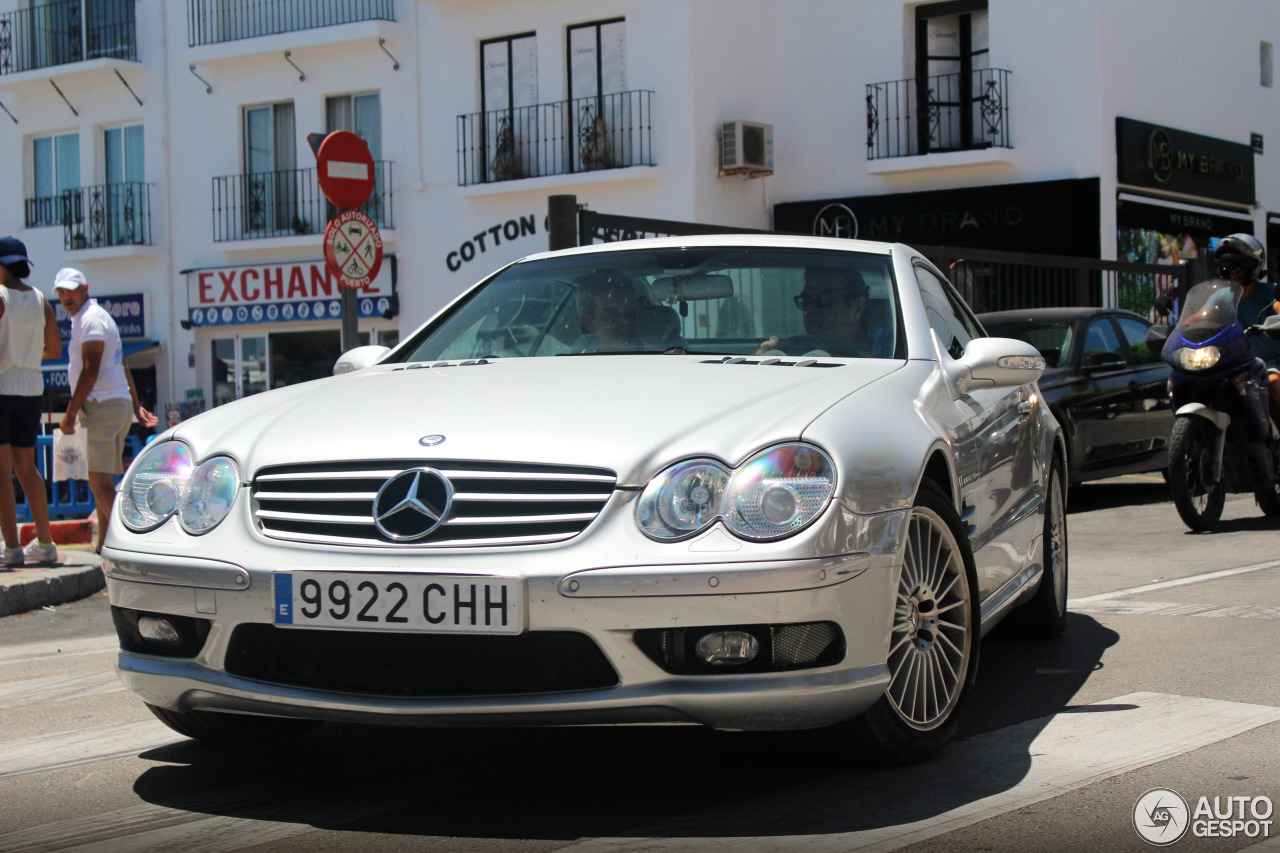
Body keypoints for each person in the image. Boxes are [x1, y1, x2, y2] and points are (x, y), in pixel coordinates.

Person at [53, 267, 158, 554]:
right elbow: (122, 364)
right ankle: (103, 546)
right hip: (114, 404)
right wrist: (135, 405)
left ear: (85, 288)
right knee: (104, 481)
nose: (65, 297)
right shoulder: (95, 318)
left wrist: (70, 412)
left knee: (99, 484)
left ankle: (133, 546)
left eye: (70, 290)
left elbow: (91, 369)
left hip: (101, 406)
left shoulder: (90, 319)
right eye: (61, 292)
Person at [0, 238, 62, 568]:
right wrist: (24, 354)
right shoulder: (41, 300)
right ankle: (45, 542)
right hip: (31, 388)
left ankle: (10, 547)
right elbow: (54, 350)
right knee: (27, 467)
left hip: (1, 386)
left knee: (1, 472)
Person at [1215, 233, 1280, 432]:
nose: (1234, 270)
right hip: (1235, 363)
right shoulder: (1222, 297)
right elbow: (1199, 317)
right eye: (1229, 264)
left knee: (1273, 382)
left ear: (1253, 266)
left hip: (1269, 363)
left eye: (1239, 264)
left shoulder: (1271, 292)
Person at [757, 267, 887, 357]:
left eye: (825, 299)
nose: (811, 309)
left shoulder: (890, 346)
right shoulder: (794, 349)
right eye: (806, 301)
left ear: (858, 307)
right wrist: (765, 353)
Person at [573, 269, 647, 352]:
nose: (626, 320)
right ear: (589, 322)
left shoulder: (660, 358)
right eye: (612, 313)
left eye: (630, 310)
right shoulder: (578, 363)